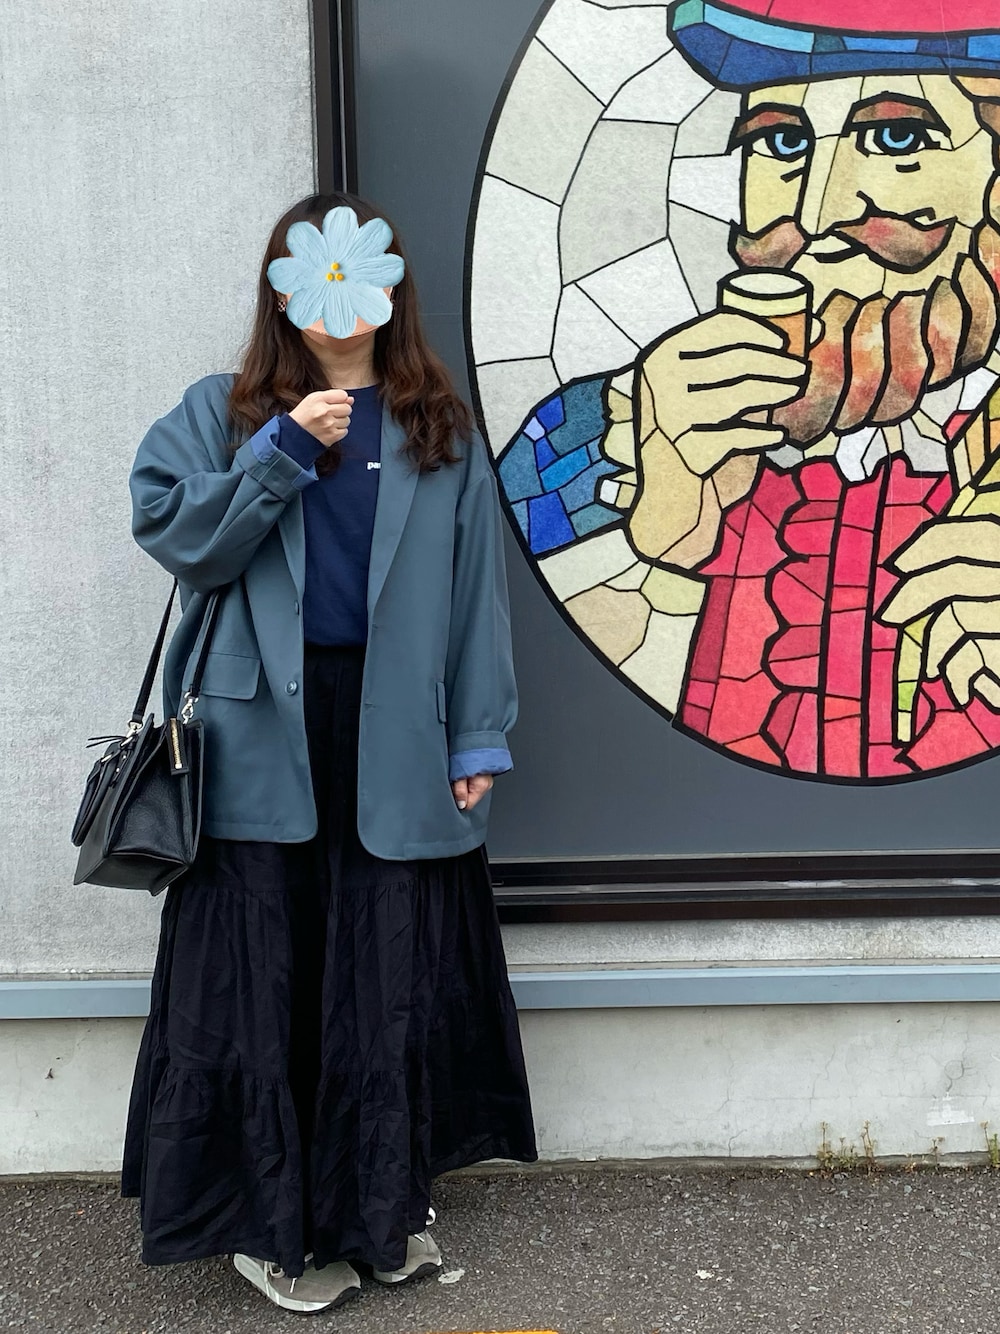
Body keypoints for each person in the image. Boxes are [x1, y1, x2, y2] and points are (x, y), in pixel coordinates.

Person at [122, 191, 537, 1315]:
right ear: (284, 291)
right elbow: (175, 533)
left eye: (361, 276)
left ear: (390, 293)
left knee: (380, 978)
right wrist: (279, 452)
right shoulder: (223, 413)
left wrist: (478, 732)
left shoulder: (435, 426)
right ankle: (271, 1231)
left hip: (395, 729)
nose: (337, 303)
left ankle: (377, 1212)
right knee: (267, 976)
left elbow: (475, 597)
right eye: (315, 277)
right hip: (259, 736)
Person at [500, 0, 1000, 781]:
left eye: (897, 138)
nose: (819, 211)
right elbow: (480, 581)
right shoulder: (619, 424)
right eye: (781, 142)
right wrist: (660, 504)